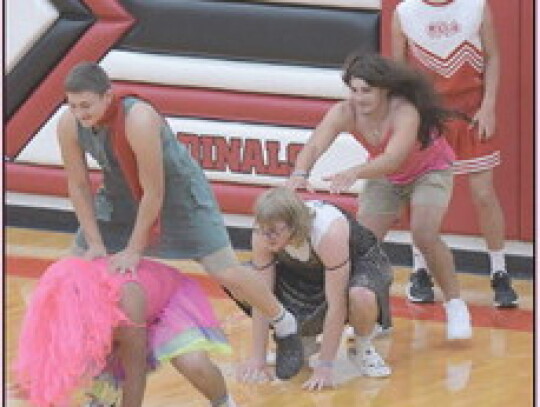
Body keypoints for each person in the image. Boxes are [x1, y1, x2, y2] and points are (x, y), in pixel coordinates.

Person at [57, 62, 303, 380]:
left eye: (86, 105)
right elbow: (77, 185)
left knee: (225, 270)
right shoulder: (68, 124)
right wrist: (94, 243)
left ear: (108, 96)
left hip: (176, 196)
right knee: (72, 269)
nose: (80, 113)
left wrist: (134, 249)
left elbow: (154, 192)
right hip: (119, 197)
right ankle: (83, 356)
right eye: (73, 105)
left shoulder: (139, 118)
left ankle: (285, 323)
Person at [286, 52, 472, 341]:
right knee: (363, 246)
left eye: (367, 91)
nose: (359, 98)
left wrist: (353, 172)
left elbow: (393, 159)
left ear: (385, 89)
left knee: (424, 235)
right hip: (383, 175)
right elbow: (314, 145)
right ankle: (377, 318)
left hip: (429, 170)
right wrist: (299, 173)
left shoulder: (405, 111)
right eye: (354, 90)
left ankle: (455, 305)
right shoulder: (344, 112)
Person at [391, 0, 518, 308]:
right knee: (422, 198)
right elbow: (400, 75)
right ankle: (420, 271)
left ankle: (499, 272)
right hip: (429, 117)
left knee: (484, 194)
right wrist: (409, 119)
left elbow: (493, 57)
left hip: (471, 114)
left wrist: (488, 106)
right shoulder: (404, 13)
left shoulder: (475, 6)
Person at [12, 257, 236, 407]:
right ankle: (103, 396)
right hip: (123, 319)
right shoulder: (60, 310)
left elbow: (134, 372)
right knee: (97, 377)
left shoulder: (127, 299)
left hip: (171, 299)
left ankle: (224, 402)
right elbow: (52, 365)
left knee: (194, 364)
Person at [235, 187, 392, 391]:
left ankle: (363, 348)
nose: (268, 237)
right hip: (309, 271)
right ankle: (302, 339)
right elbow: (262, 297)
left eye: (274, 231)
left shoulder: (328, 231)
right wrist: (258, 358)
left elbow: (336, 305)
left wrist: (325, 366)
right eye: (264, 230)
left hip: (359, 261)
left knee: (360, 295)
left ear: (293, 225)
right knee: (242, 282)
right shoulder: (263, 234)